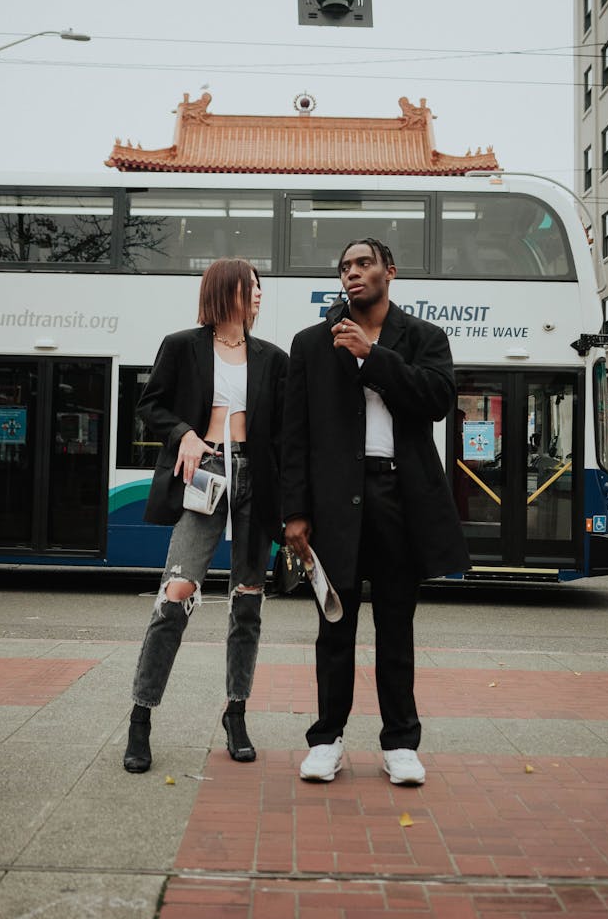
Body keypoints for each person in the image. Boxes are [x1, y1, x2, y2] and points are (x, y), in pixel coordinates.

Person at [282, 238, 470, 785]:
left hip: (399, 499)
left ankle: (400, 744)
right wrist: (295, 511)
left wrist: (372, 354)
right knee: (333, 627)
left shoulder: (424, 338)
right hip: (334, 503)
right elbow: (295, 437)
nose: (352, 274)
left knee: (396, 627)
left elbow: (436, 401)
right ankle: (326, 741)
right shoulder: (312, 344)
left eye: (363, 264)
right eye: (344, 267)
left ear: (390, 270)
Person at [124, 259, 288, 773]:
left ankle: (235, 713)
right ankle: (141, 717)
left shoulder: (272, 358)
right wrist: (186, 434)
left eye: (261, 288)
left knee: (248, 602)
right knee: (176, 595)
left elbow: (287, 432)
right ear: (226, 291)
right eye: (251, 286)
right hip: (204, 473)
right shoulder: (182, 346)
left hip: (256, 479)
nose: (259, 294)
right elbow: (150, 406)